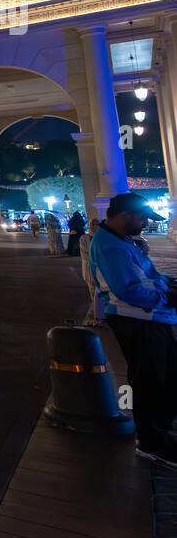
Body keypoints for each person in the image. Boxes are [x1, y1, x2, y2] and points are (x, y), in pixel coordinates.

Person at [89, 193, 177, 468]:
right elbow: (128, 289)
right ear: (125, 215)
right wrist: (168, 297)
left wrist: (168, 283)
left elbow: (147, 274)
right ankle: (152, 442)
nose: (145, 224)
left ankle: (158, 433)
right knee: (151, 380)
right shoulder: (111, 247)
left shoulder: (121, 241)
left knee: (163, 376)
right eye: (142, 218)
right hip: (137, 319)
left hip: (149, 318)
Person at [80, 218, 101, 326]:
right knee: (92, 290)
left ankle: (97, 313)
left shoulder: (102, 238)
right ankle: (95, 315)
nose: (95, 226)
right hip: (89, 268)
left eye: (97, 224)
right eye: (93, 224)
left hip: (100, 269)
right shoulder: (84, 238)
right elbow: (85, 253)